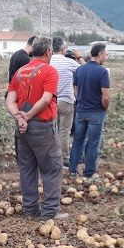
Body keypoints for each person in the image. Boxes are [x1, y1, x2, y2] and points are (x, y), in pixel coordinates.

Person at [6, 36, 66, 221]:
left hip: (22, 129)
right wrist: (29, 116)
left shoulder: (20, 72)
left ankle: (30, 209)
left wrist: (19, 117)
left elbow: (10, 99)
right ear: (48, 51)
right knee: (51, 167)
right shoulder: (50, 72)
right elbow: (46, 99)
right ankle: (49, 212)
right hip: (42, 127)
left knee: (27, 168)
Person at [69, 43, 110, 179]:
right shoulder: (102, 72)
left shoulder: (80, 70)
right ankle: (89, 172)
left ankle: (72, 170)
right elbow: (105, 96)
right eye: (105, 54)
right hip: (96, 112)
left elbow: (75, 90)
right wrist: (104, 108)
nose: (106, 56)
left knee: (77, 141)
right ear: (100, 54)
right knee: (93, 142)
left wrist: (80, 100)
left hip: (80, 110)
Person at [50, 37, 84, 166]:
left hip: (50, 101)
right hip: (66, 101)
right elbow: (86, 70)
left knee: (53, 130)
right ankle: (64, 159)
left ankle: (52, 157)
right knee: (64, 131)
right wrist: (79, 57)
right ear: (63, 49)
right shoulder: (69, 62)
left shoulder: (47, 62)